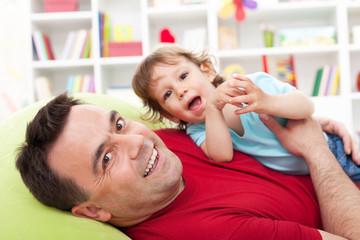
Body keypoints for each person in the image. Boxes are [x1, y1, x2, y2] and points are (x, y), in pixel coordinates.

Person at [15, 93, 360, 239]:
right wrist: (317, 151)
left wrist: (317, 125)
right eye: (107, 158)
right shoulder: (210, 233)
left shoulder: (172, 141)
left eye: (119, 125)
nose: (137, 142)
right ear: (92, 210)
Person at [132, 45, 360, 180]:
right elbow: (222, 155)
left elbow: (306, 106)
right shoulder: (198, 129)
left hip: (333, 150)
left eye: (183, 76)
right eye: (167, 94)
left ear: (208, 71)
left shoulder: (250, 85)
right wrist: (213, 108)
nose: (180, 91)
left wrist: (267, 101)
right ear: (171, 116)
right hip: (313, 176)